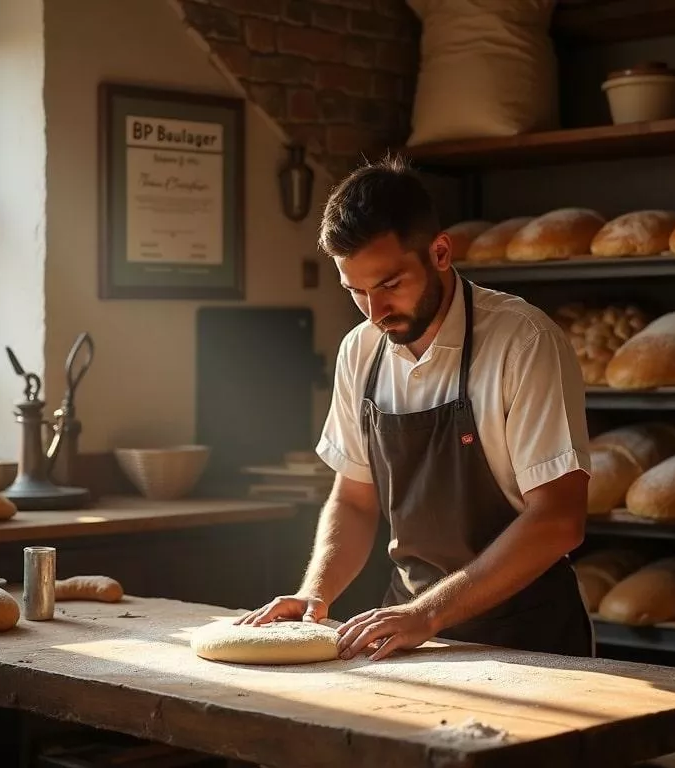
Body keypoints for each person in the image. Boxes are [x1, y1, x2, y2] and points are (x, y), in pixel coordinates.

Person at [238, 155, 594, 661]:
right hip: (405, 632)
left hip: (525, 636)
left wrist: (428, 614)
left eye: (389, 284)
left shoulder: (523, 342)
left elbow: (559, 518)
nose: (374, 311)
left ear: (441, 251)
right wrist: (315, 597)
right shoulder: (360, 350)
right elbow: (355, 499)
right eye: (356, 291)